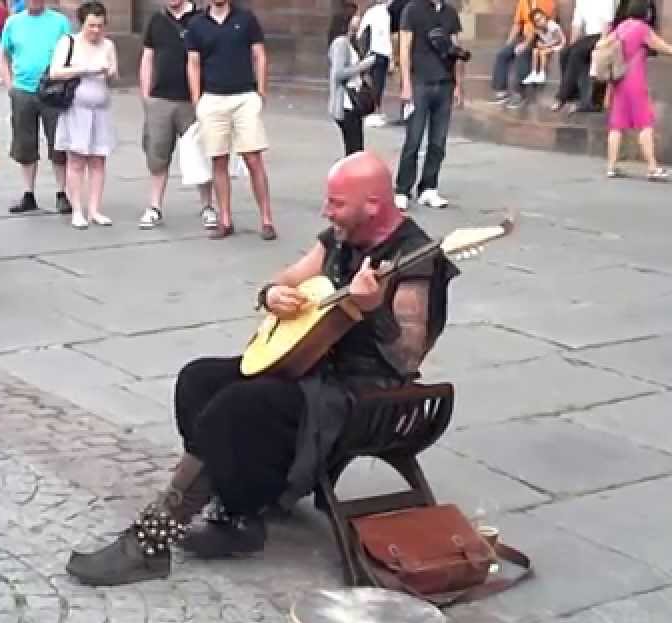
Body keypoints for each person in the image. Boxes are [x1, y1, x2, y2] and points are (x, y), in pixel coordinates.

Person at [64, 150, 460, 586]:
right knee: (199, 379)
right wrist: (271, 294)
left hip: (364, 394)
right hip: (312, 369)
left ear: (373, 205)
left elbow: (407, 357)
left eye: (336, 203)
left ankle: (151, 541)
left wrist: (372, 311)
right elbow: (289, 278)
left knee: (239, 406)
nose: (326, 212)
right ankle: (241, 511)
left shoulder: (416, 259)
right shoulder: (342, 236)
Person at [185, 0, 276, 240]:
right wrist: (197, 100)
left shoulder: (246, 18)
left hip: (244, 96)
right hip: (212, 98)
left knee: (253, 158)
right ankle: (225, 219)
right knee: (219, 160)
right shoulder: (197, 24)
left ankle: (266, 219)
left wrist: (261, 91)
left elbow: (259, 54)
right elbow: (193, 63)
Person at [601, 0, 672, 181]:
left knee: (617, 125)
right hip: (635, 80)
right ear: (645, 11)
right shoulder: (642, 29)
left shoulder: (620, 27)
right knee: (645, 123)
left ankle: (611, 167)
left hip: (618, 80)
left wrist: (607, 89)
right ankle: (652, 167)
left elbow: (608, 53)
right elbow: (666, 48)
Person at [137, 0, 215, 230]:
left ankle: (207, 206)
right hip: (160, 98)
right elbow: (148, 57)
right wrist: (145, 94)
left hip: (192, 100)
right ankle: (155, 206)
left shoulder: (201, 19)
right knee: (157, 154)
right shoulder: (156, 20)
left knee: (200, 154)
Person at [0, 0, 71, 215]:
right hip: (23, 90)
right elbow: (3, 55)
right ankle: (28, 193)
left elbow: (71, 53)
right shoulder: (13, 23)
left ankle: (62, 192)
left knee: (58, 142)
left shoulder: (60, 22)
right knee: (24, 143)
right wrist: (10, 86)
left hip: (53, 90)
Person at [49, 1, 116, 229]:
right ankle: (77, 209)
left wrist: (109, 71)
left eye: (100, 25)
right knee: (76, 160)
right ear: (82, 24)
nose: (96, 30)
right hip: (76, 109)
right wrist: (85, 69)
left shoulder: (108, 45)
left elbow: (113, 74)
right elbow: (55, 72)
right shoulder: (68, 42)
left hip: (100, 109)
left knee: (98, 160)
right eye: (91, 26)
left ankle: (95, 209)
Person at [395, 0, 465, 211]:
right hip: (420, 83)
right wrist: (406, 83)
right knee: (413, 139)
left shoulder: (450, 13)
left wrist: (458, 85)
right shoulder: (412, 9)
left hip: (444, 83)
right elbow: (404, 49)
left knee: (438, 142)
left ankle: (428, 187)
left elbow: (456, 51)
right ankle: (402, 189)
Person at [328, 3, 375, 156]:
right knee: (354, 148)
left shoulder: (351, 41)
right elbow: (338, 73)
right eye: (356, 16)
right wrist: (364, 65)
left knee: (356, 148)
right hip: (346, 103)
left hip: (353, 102)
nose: (359, 19)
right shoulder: (340, 43)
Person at [488, 0, 554, 108]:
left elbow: (540, 26)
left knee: (523, 53)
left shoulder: (547, 2)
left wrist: (525, 44)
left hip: (541, 37)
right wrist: (508, 43)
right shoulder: (523, 2)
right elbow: (517, 24)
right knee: (502, 54)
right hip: (525, 36)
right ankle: (501, 92)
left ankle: (519, 94)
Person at [552, 0, 614, 112]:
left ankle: (562, 97)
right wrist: (572, 45)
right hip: (588, 37)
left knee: (577, 53)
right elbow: (577, 24)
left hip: (603, 36)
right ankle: (573, 95)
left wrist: (602, 44)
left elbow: (608, 23)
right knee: (565, 53)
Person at [357, 0, 392, 128]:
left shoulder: (372, 12)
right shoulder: (382, 13)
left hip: (373, 53)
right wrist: (391, 57)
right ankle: (372, 112)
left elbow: (361, 33)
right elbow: (384, 38)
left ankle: (370, 110)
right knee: (377, 84)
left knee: (373, 83)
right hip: (378, 53)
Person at [521, 8, 564, 86]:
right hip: (547, 44)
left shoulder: (551, 25)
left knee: (542, 52)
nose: (541, 21)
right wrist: (539, 43)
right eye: (537, 21)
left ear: (544, 16)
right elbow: (538, 38)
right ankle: (533, 73)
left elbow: (558, 39)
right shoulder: (537, 29)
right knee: (535, 51)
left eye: (541, 18)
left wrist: (545, 46)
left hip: (558, 45)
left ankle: (542, 73)